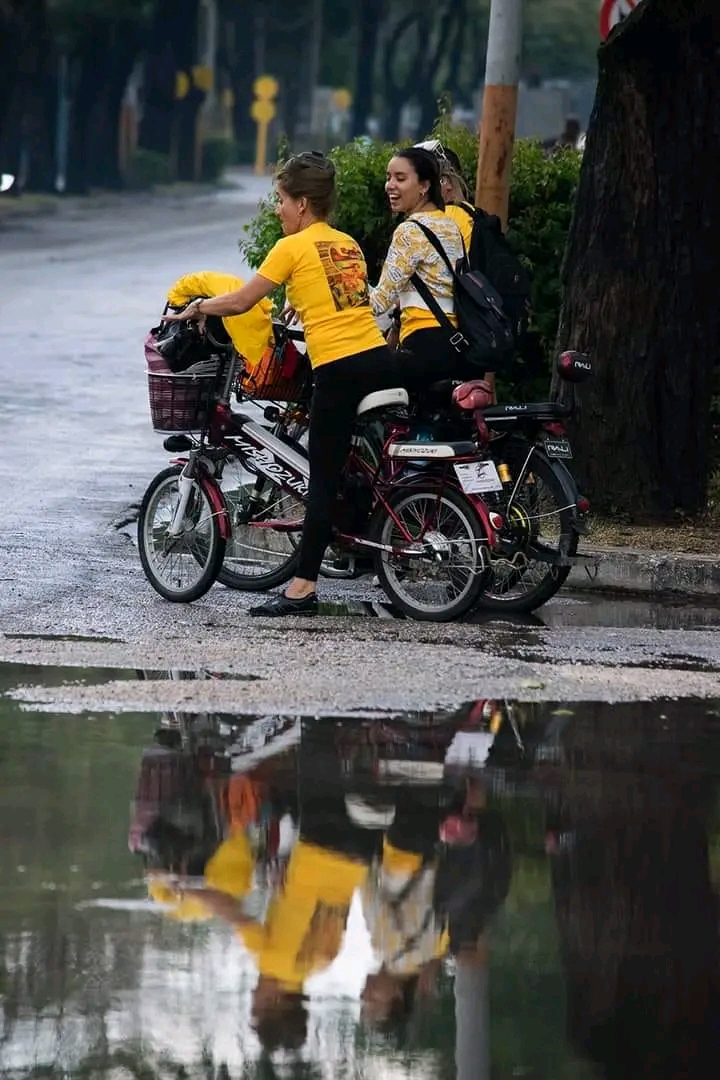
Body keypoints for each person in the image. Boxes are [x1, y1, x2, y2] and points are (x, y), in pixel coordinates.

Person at [162, 151, 399, 618]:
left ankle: (303, 588)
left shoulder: (291, 246)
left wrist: (197, 308)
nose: (278, 209)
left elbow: (243, 301)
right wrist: (299, 306)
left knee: (320, 481)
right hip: (376, 359)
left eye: (282, 200)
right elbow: (344, 300)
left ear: (304, 204)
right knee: (347, 463)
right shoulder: (346, 243)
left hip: (339, 368)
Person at [370, 147, 467, 388]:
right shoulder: (450, 225)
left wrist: (339, 288)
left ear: (424, 186)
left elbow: (378, 303)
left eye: (400, 178)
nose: (389, 185)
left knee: (352, 380)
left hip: (423, 343)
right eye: (388, 177)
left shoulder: (410, 231)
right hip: (456, 343)